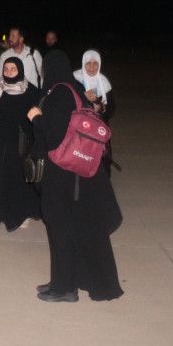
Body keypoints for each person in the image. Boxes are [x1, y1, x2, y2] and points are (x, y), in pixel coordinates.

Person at [26, 77, 124, 302]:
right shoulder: (76, 92)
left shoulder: (59, 94)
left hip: (62, 176)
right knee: (71, 230)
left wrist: (37, 118)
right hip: (78, 176)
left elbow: (54, 136)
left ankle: (64, 287)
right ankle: (65, 281)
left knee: (60, 231)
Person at [0, 58, 42, 236]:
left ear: (20, 70)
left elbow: (37, 117)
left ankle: (22, 212)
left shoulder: (31, 91)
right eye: (6, 69)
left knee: (17, 181)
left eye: (13, 69)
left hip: (19, 144)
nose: (9, 72)